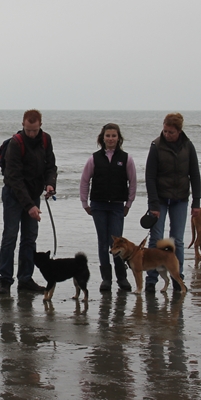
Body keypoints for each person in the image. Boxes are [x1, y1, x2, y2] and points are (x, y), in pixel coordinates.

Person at [0, 109, 57, 296]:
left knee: (30, 238)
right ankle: (5, 281)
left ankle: (25, 279)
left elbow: (51, 166)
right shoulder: (16, 143)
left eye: (34, 130)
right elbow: (13, 178)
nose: (31, 134)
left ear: (40, 125)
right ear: (23, 125)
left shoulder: (46, 140)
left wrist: (50, 184)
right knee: (10, 236)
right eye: (28, 130)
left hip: (34, 194)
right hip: (13, 195)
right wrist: (29, 205)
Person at [144, 113, 200, 292]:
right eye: (165, 131)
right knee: (156, 238)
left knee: (178, 240)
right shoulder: (156, 146)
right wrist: (153, 204)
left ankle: (178, 277)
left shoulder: (188, 146)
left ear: (179, 131)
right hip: (159, 199)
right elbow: (150, 177)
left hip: (181, 198)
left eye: (171, 132)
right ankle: (151, 279)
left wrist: (196, 202)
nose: (167, 134)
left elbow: (195, 174)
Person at [80, 123, 137, 292]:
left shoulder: (126, 159)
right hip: (98, 205)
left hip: (118, 206)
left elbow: (132, 182)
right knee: (103, 242)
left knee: (118, 243)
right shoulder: (94, 158)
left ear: (118, 138)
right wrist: (85, 203)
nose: (110, 139)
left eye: (113, 136)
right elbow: (84, 181)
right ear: (102, 138)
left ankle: (122, 278)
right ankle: (106, 278)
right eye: (107, 136)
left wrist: (129, 203)